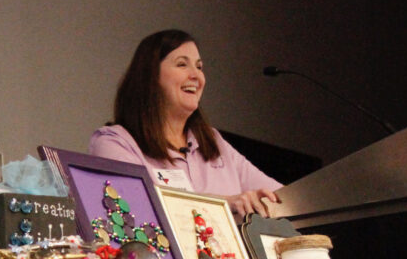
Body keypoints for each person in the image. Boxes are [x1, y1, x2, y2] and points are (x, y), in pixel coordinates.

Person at [89, 29, 280, 218]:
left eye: (199, 67)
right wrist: (225, 204)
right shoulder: (115, 142)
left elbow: (279, 198)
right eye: (182, 64)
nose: (196, 76)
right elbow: (135, 208)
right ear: (150, 76)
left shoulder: (214, 142)